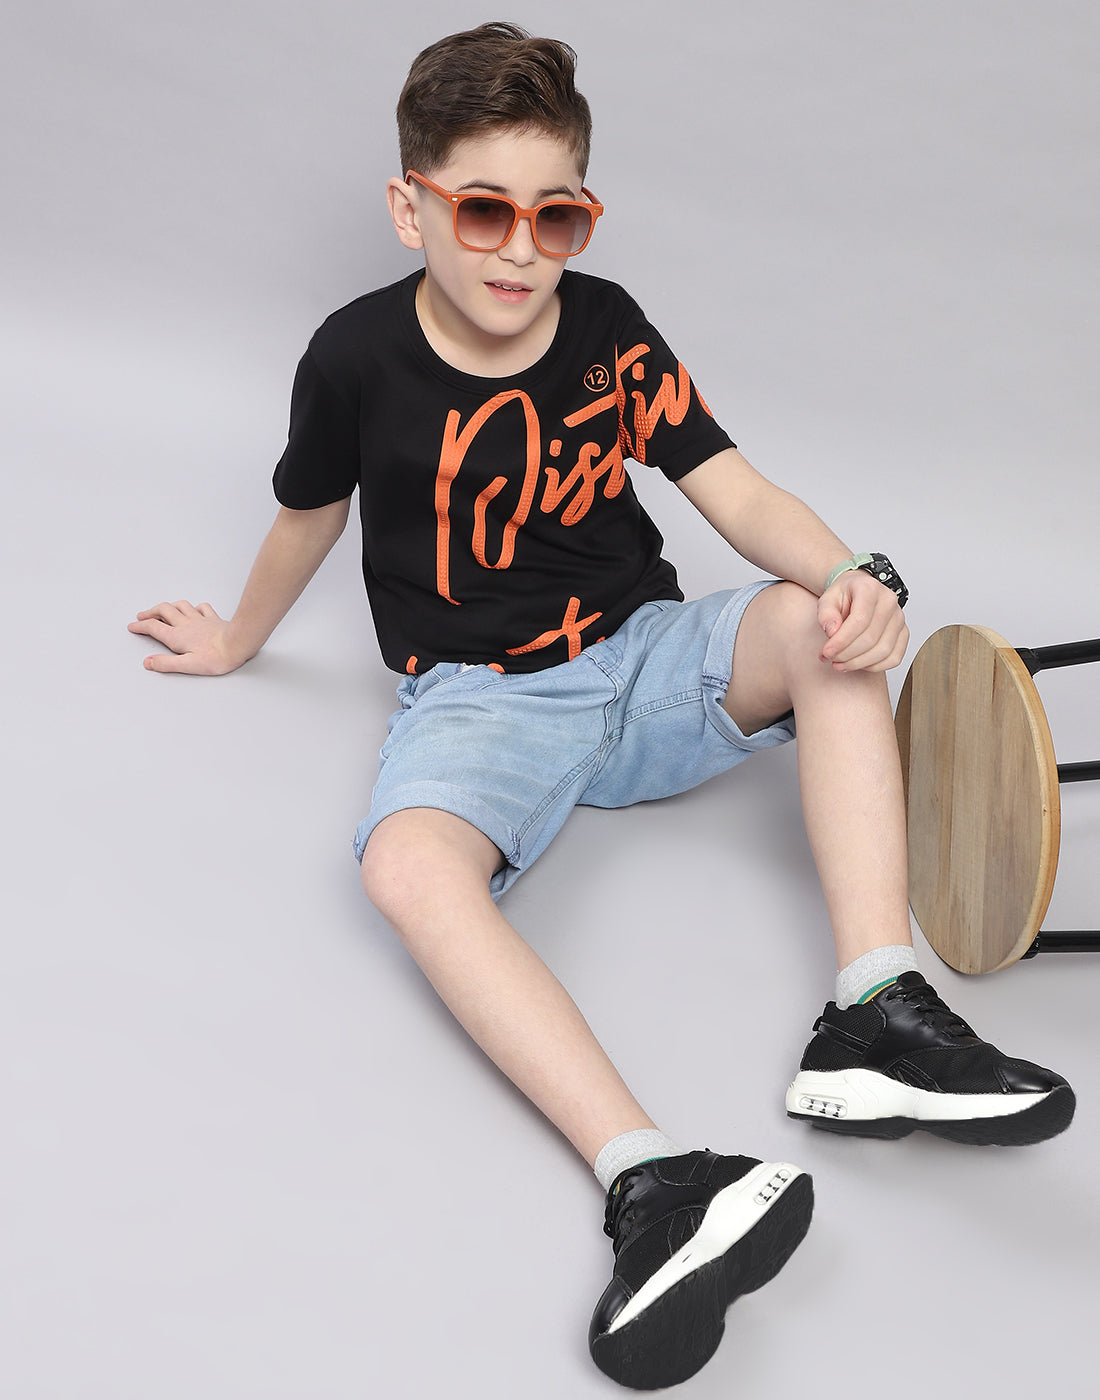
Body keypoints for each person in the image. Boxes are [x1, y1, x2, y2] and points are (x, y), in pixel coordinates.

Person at [129, 22, 1075, 1391]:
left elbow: (733, 488)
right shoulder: (352, 356)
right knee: (407, 867)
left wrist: (851, 574)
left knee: (818, 625)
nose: (520, 250)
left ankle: (875, 1013)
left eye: (555, 215)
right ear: (410, 207)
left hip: (642, 658)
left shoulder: (610, 330)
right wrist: (236, 639)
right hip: (482, 702)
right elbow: (307, 515)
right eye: (484, 211)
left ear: (583, 215)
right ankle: (656, 1183)